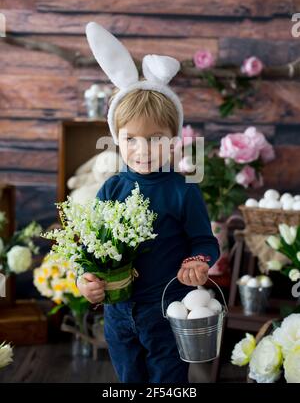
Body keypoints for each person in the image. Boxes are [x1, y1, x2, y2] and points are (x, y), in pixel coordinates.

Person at [77, 22, 220, 384]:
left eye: (156, 139)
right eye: (132, 140)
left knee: (167, 380)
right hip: (118, 313)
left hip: (166, 311)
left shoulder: (183, 191)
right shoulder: (111, 189)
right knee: (129, 379)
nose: (143, 150)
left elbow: (204, 241)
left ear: (173, 140)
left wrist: (198, 262)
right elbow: (91, 249)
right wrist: (86, 280)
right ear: (116, 139)